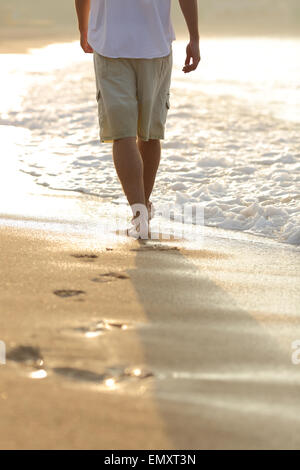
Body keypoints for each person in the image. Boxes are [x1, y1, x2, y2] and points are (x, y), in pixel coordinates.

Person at [75, 0, 200, 238]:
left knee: (123, 135)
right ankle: (143, 211)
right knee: (149, 134)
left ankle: (139, 215)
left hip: (110, 44)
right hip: (155, 45)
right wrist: (194, 38)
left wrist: (83, 27)